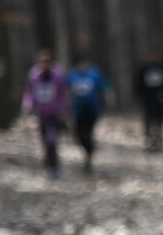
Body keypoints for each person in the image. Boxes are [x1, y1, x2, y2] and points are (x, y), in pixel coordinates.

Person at [21, 49, 68, 180]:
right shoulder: (34, 76)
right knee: (45, 141)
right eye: (42, 62)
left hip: (54, 114)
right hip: (41, 115)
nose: (45, 65)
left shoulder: (57, 76)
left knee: (52, 140)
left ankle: (54, 167)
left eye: (47, 62)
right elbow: (29, 93)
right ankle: (48, 163)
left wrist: (62, 109)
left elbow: (62, 94)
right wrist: (27, 106)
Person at [65, 53, 111, 172]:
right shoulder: (72, 75)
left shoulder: (95, 73)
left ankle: (89, 155)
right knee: (78, 134)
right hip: (78, 109)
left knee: (88, 132)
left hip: (92, 109)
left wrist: (108, 97)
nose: (83, 65)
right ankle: (86, 149)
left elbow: (105, 86)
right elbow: (66, 89)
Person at [134, 50, 163, 151]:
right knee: (148, 119)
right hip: (147, 98)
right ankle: (148, 139)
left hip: (160, 99)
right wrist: (138, 96)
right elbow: (138, 83)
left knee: (160, 120)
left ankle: (159, 140)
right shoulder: (143, 69)